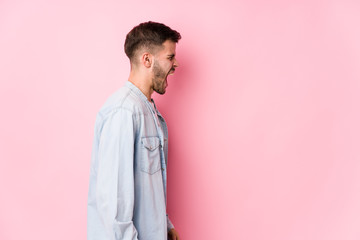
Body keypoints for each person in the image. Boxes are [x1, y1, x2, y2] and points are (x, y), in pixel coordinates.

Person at [87, 21, 181, 240]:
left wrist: (164, 225)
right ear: (147, 59)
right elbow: (114, 202)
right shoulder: (124, 112)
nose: (176, 64)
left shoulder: (148, 111)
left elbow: (147, 186)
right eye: (170, 57)